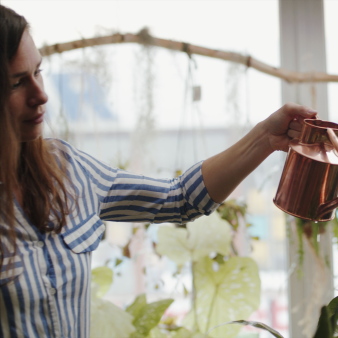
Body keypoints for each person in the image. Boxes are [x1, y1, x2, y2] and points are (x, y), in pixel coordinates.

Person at [0, 5, 317, 337]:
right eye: (17, 83)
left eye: (38, 72)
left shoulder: (67, 170)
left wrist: (266, 137)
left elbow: (178, 198)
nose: (40, 95)